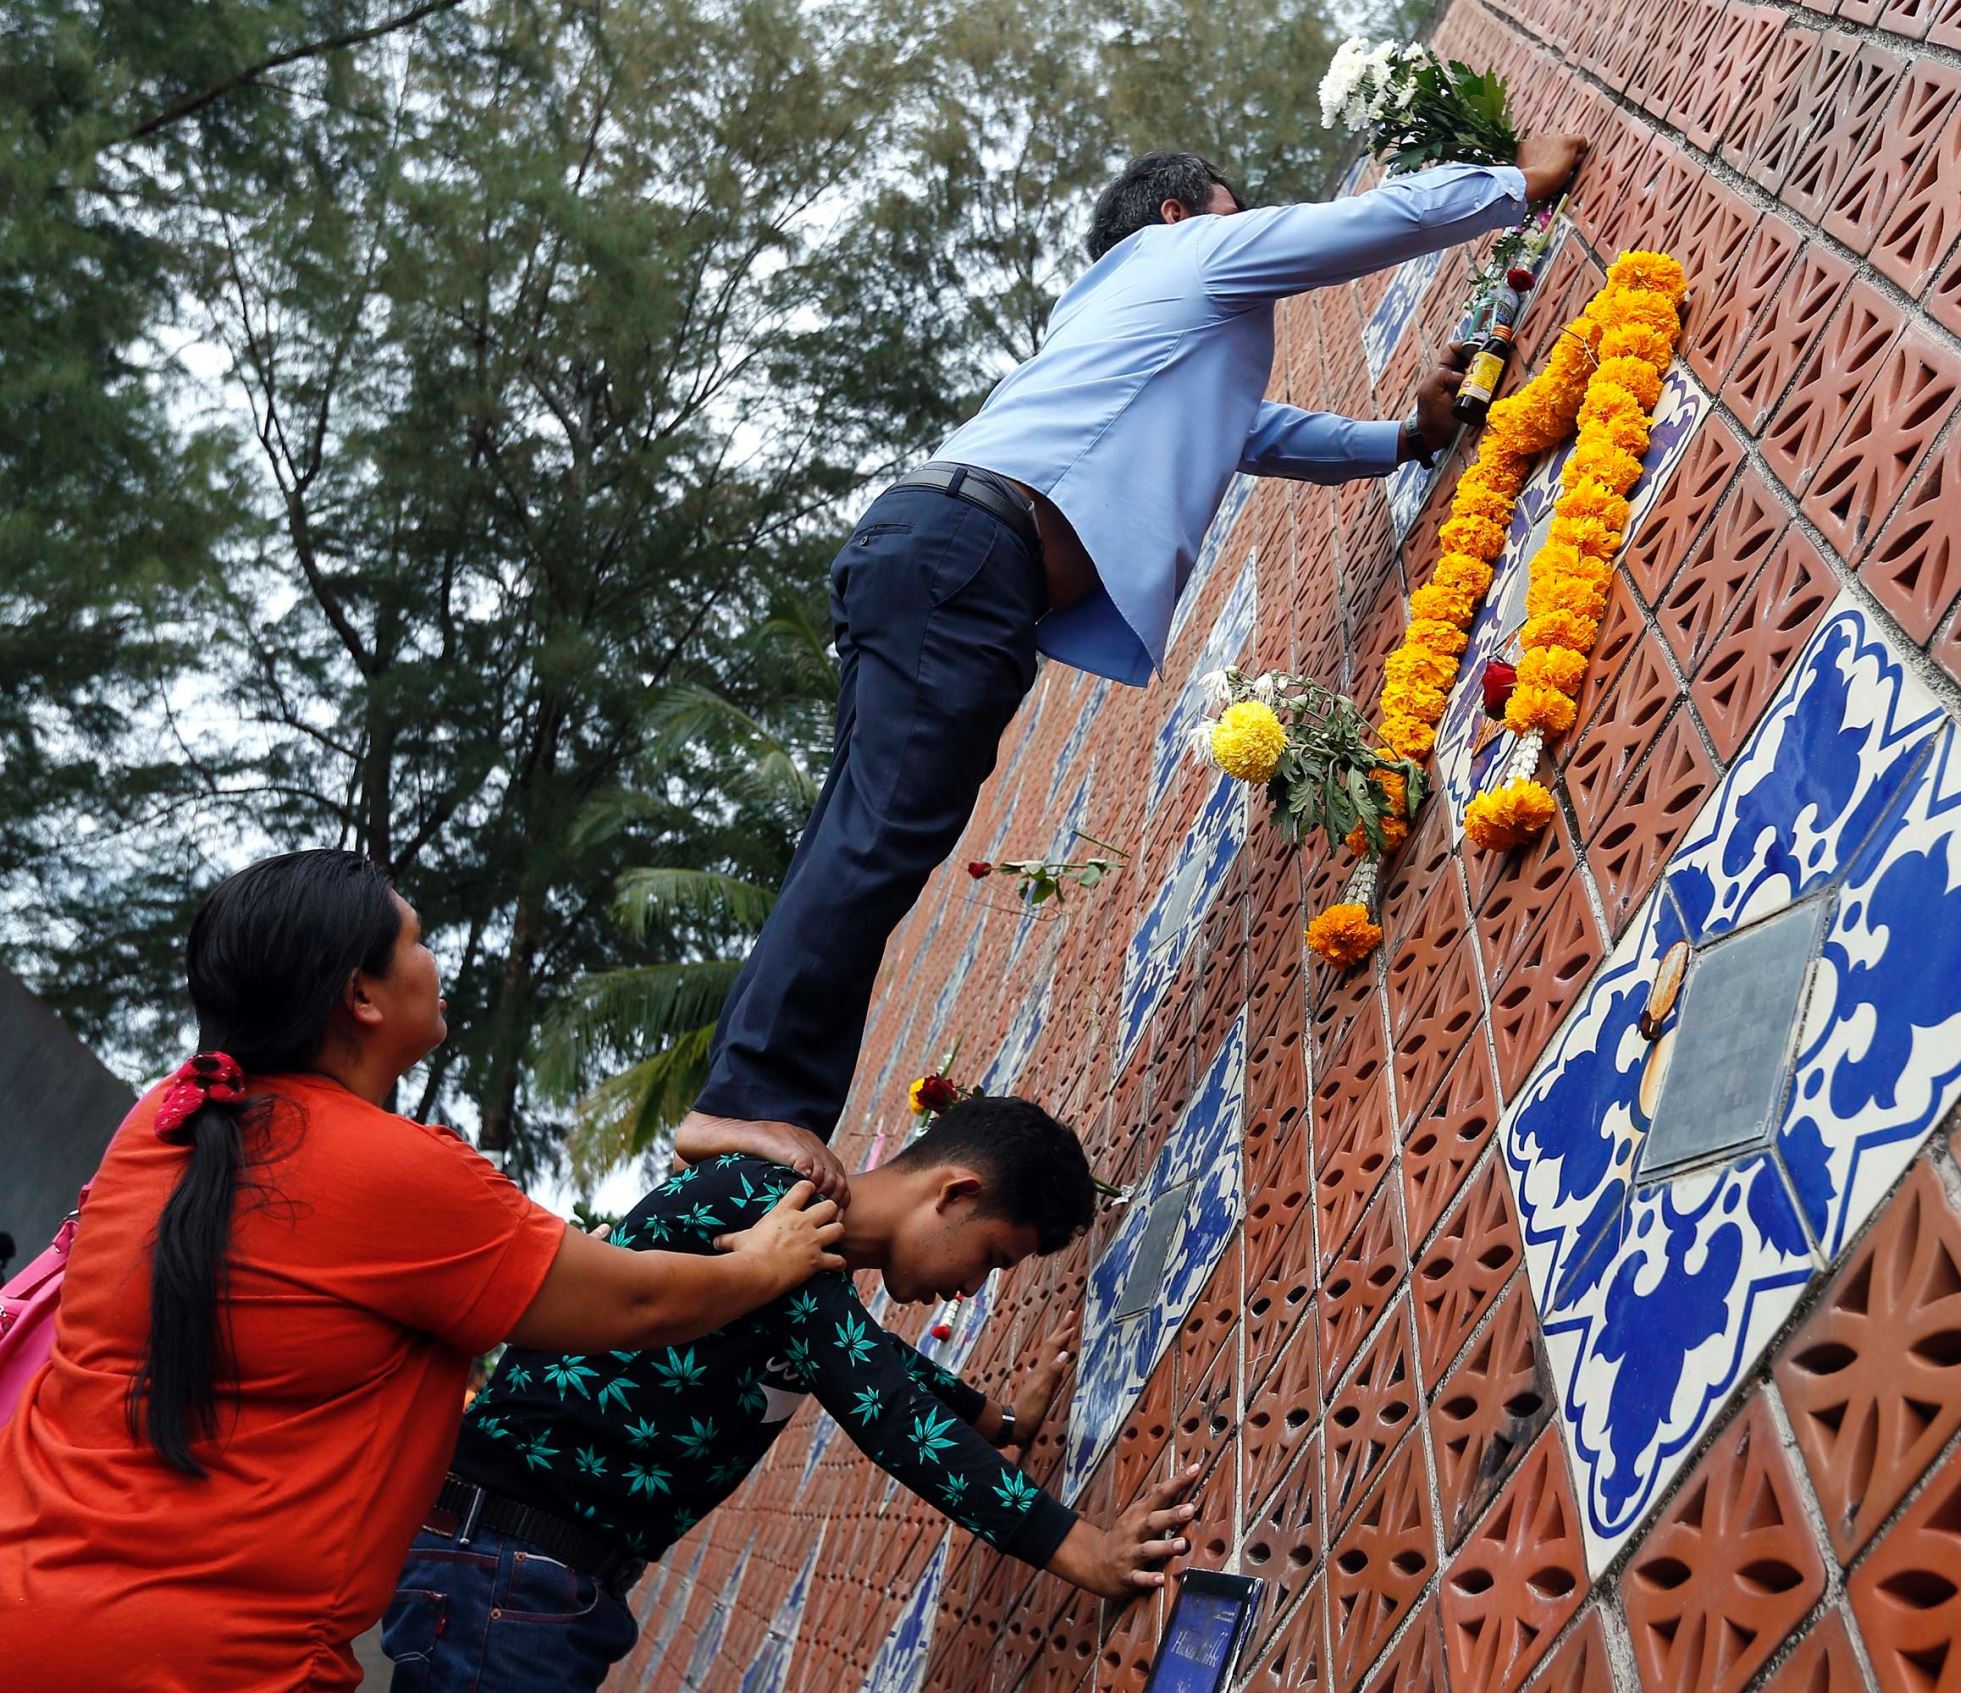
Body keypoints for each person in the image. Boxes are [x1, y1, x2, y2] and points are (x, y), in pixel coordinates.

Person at [675, 137, 1589, 1185]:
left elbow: (1248, 431)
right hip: (971, 557)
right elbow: (1347, 231)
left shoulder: (1120, 321)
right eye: (1229, 212)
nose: (1242, 233)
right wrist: (1515, 185)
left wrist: (1398, 440)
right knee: (879, 837)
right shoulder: (1183, 259)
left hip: (939, 553)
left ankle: (742, 1107)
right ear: (1176, 216)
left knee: (855, 836)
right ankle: (747, 1108)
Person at [0, 850, 849, 1693]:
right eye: (416, 938)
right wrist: (766, 1265)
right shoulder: (387, 1171)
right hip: (202, 1658)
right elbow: (635, 1302)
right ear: (360, 995)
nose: (433, 959)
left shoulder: (164, 1121)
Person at [380, 1094, 1198, 1692]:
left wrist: (1003, 1418)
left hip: (535, 1581)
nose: (973, 1287)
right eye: (991, 1257)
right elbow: (880, 1402)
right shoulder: (764, 1202)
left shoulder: (808, 1261)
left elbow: (867, 1358)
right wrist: (1087, 1550)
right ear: (954, 1193)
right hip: (502, 1574)